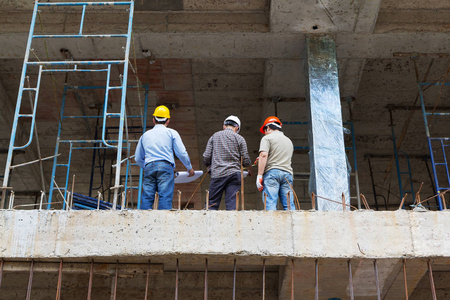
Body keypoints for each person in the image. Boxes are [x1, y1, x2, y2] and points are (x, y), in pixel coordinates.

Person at [135, 105, 195, 210]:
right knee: (165, 196)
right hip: (165, 167)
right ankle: (162, 223)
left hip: (149, 166)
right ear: (168, 121)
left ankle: (143, 221)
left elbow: (137, 158)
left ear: (154, 120)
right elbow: (181, 153)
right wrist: (189, 168)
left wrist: (147, 166)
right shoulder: (172, 133)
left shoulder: (145, 135)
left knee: (147, 197)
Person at [203, 115, 253, 210]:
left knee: (211, 204)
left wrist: (208, 166)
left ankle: (209, 224)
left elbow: (206, 156)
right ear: (237, 128)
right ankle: (232, 224)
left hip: (218, 174)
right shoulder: (240, 138)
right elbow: (245, 158)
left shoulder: (214, 136)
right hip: (234, 174)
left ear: (224, 126)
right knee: (232, 204)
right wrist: (250, 169)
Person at [256, 116, 295, 210]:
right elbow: (280, 156)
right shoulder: (288, 141)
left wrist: (259, 175)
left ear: (268, 127)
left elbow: (264, 155)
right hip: (287, 174)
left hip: (272, 174)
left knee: (270, 204)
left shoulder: (267, 138)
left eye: (265, 130)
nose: (265, 133)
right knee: (289, 206)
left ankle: (271, 224)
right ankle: (293, 224)